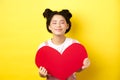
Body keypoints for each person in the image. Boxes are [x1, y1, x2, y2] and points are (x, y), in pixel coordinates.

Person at [35, 8, 90, 80]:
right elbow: (42, 73)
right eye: (54, 23)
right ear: (49, 27)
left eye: (62, 22)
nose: (58, 25)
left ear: (67, 26)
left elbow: (77, 69)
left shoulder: (75, 45)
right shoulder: (43, 47)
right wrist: (41, 74)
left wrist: (84, 66)